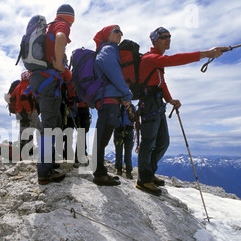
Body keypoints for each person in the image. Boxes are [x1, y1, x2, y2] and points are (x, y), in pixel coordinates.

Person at [136, 27, 227, 195]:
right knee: (148, 142)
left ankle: (148, 173)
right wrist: (206, 53)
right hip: (149, 103)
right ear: (155, 40)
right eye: (164, 37)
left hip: (156, 103)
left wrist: (170, 100)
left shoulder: (157, 61)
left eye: (169, 36)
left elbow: (161, 83)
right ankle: (143, 180)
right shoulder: (150, 58)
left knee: (163, 142)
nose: (168, 39)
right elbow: (174, 60)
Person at [29, 4, 75, 185]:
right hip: (49, 80)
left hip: (40, 81)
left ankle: (47, 163)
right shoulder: (61, 25)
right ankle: (44, 172)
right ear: (71, 17)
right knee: (49, 126)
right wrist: (60, 66)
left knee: (54, 123)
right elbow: (61, 37)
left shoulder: (47, 27)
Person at [92, 25, 132, 186]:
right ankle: (99, 174)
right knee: (103, 137)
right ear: (106, 35)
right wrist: (127, 93)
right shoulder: (108, 50)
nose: (120, 34)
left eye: (121, 32)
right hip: (109, 100)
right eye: (116, 31)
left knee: (103, 136)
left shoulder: (108, 49)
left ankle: (100, 171)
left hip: (107, 99)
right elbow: (114, 73)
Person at [10, 71, 40, 159]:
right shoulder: (28, 86)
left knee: (23, 131)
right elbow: (24, 98)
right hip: (27, 112)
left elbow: (11, 99)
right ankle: (27, 151)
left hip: (19, 112)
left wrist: (16, 109)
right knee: (32, 129)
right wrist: (28, 110)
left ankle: (22, 152)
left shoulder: (17, 86)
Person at [114, 103, 135, 179]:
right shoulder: (118, 107)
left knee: (127, 152)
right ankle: (122, 170)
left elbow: (134, 119)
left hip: (125, 131)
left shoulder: (130, 107)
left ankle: (126, 171)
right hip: (121, 131)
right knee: (121, 151)